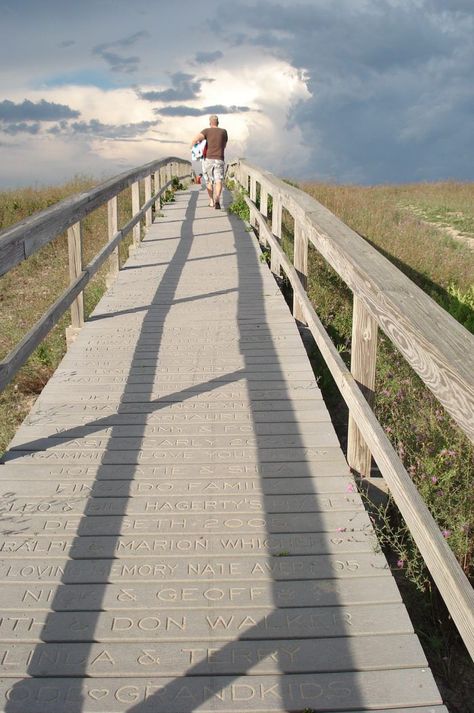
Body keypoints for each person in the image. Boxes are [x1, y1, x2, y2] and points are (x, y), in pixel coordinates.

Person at [190, 115, 228, 210]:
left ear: (210, 123)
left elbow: (195, 139)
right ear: (218, 122)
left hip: (208, 159)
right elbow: (225, 145)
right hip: (219, 158)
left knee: (208, 181)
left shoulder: (206, 131)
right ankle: (218, 198)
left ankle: (211, 201)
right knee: (218, 180)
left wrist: (193, 147)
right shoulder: (224, 132)